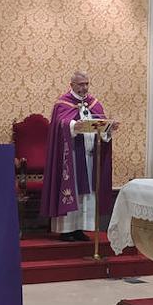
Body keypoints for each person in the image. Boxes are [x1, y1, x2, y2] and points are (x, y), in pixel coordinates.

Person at [41, 71, 119, 241]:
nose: (84, 88)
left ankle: (80, 228)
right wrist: (73, 126)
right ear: (72, 85)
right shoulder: (63, 104)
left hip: (90, 157)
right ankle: (67, 229)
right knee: (73, 190)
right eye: (80, 84)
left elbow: (101, 123)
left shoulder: (94, 104)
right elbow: (60, 124)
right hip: (72, 158)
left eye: (86, 84)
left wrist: (109, 128)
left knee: (88, 192)